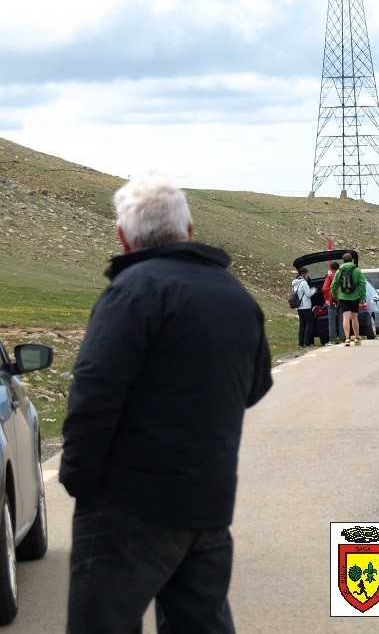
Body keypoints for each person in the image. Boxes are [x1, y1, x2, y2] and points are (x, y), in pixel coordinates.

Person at [59, 177, 273, 633]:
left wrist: (79, 478)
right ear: (189, 230)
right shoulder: (237, 297)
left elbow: (93, 394)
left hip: (127, 504)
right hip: (208, 504)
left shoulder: (132, 292)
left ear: (123, 236)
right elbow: (253, 387)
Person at [331, 252, 367, 346]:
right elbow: (363, 284)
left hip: (343, 297)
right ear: (351, 260)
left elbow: (333, 285)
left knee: (345, 318)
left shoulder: (339, 271)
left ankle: (347, 338)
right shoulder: (357, 270)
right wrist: (362, 297)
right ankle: (356, 338)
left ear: (343, 261)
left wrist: (335, 297)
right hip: (355, 297)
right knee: (354, 318)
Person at [292, 266, 317, 346]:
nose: (308, 275)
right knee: (309, 324)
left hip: (299, 306)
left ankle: (301, 343)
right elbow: (308, 294)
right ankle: (308, 342)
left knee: (302, 325)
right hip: (305, 306)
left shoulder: (295, 282)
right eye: (307, 273)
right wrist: (314, 290)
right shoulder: (303, 283)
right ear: (303, 274)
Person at [322, 260, 343, 344]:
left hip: (332, 301)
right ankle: (342, 338)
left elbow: (325, 288)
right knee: (342, 320)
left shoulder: (330, 276)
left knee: (332, 320)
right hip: (342, 300)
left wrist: (327, 298)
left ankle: (333, 339)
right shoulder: (342, 276)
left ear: (331, 268)